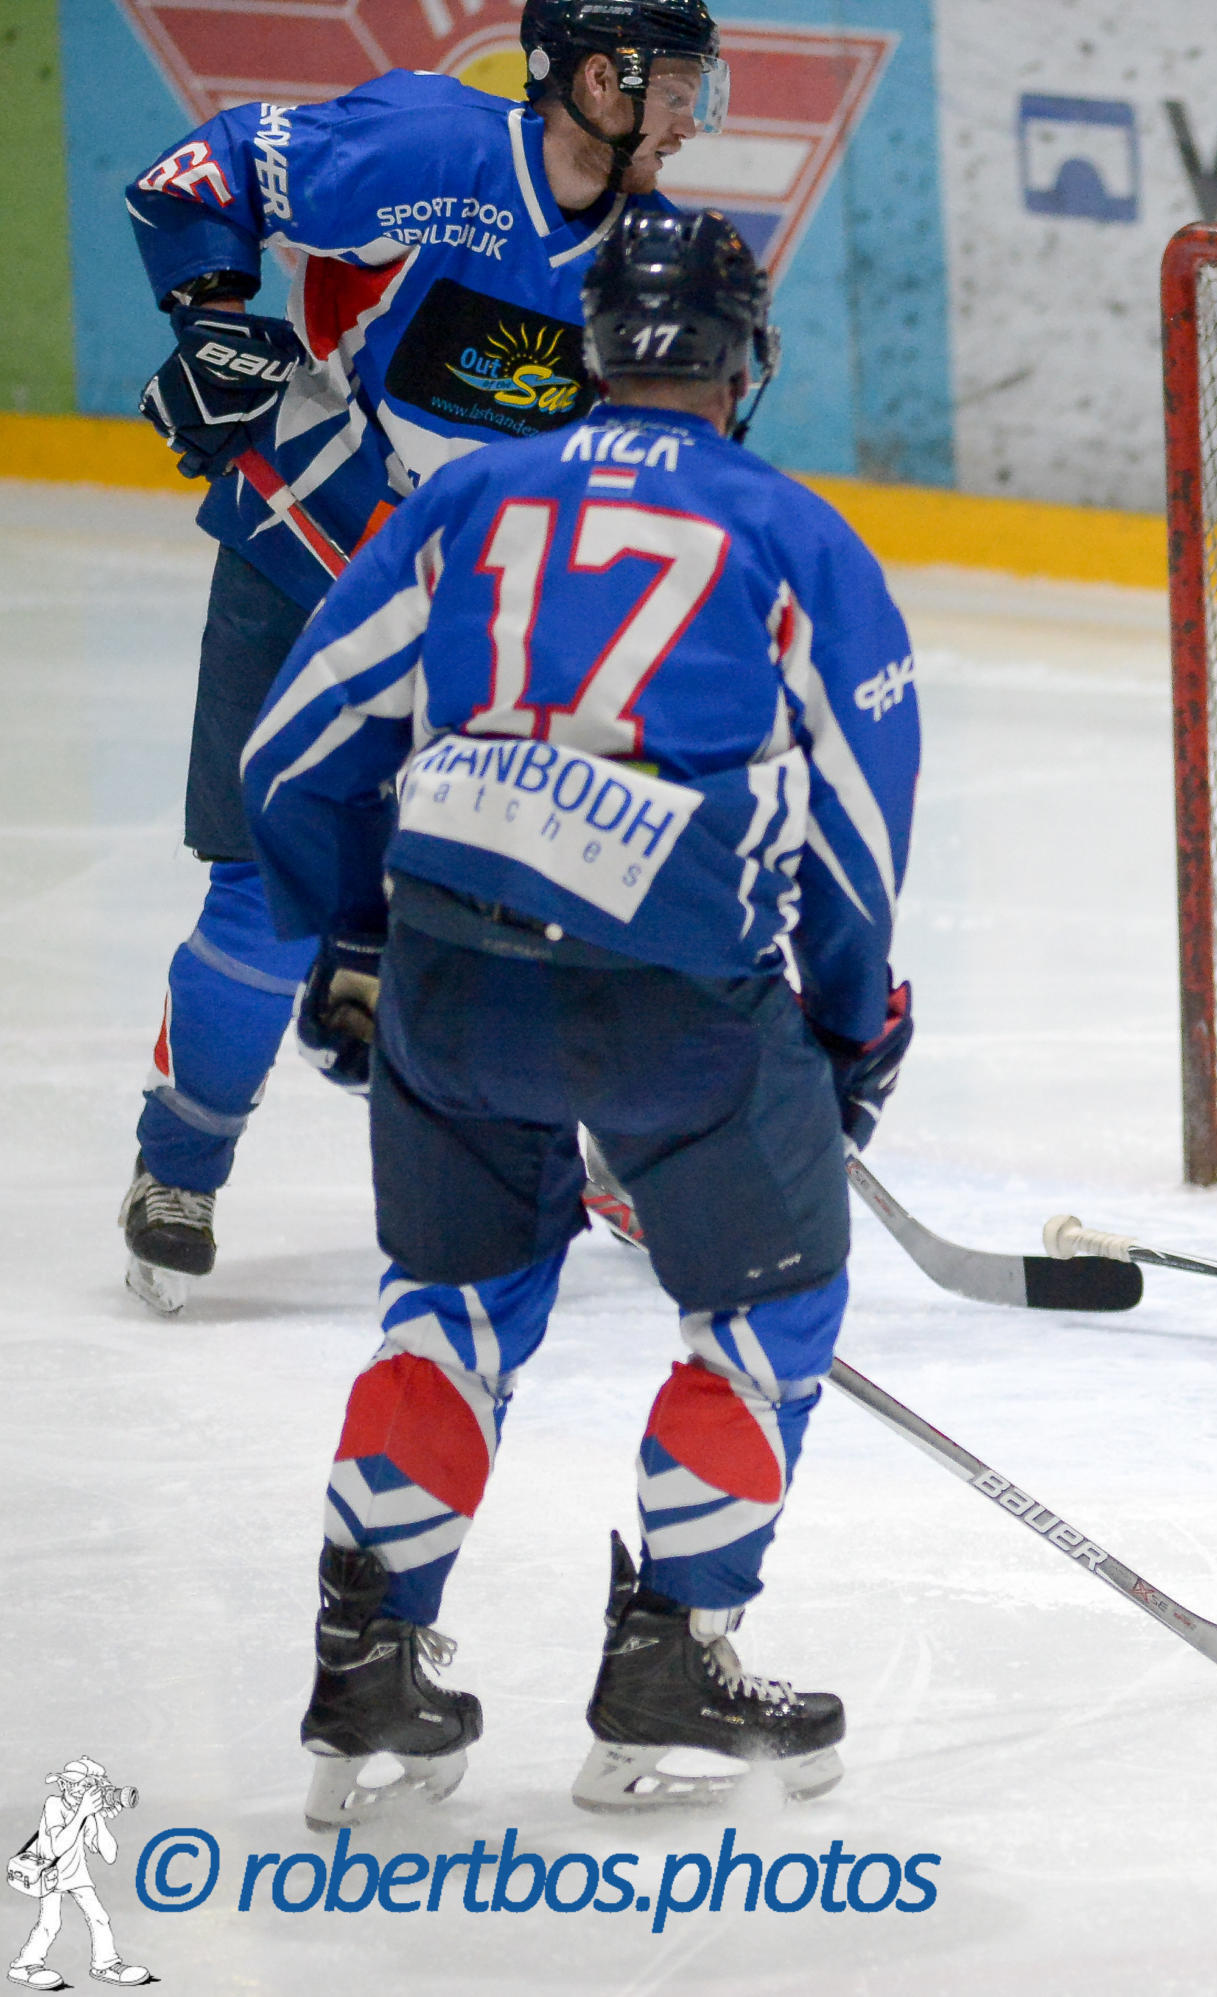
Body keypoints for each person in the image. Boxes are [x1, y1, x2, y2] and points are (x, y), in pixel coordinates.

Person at [241, 210, 919, 1823]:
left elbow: (293, 750)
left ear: (593, 347)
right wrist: (847, 1030)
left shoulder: (466, 497)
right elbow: (855, 832)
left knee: (450, 1310)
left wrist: (354, 943)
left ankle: (365, 1674)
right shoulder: (795, 534)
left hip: (450, 971)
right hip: (677, 994)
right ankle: (675, 1654)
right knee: (767, 1306)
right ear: (743, 361)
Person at [116, 0, 723, 1313]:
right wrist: (211, 317)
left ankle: (617, 1140)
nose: (692, 120)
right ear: (596, 80)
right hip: (308, 552)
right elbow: (197, 177)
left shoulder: (656, 260)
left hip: (484, 611)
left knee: (578, 871)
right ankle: (182, 1166)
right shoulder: (427, 147)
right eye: (675, 87)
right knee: (268, 904)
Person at [7, 1762, 148, 1990]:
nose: (78, 1790)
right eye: (73, 1784)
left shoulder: (88, 1813)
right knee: (50, 1924)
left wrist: (98, 1816)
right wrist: (83, 1812)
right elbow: (57, 1847)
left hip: (77, 1874)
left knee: (99, 1917)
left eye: (86, 1786)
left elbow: (110, 1855)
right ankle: (23, 1966)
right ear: (62, 1784)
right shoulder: (53, 1804)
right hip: (51, 1875)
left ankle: (105, 1964)